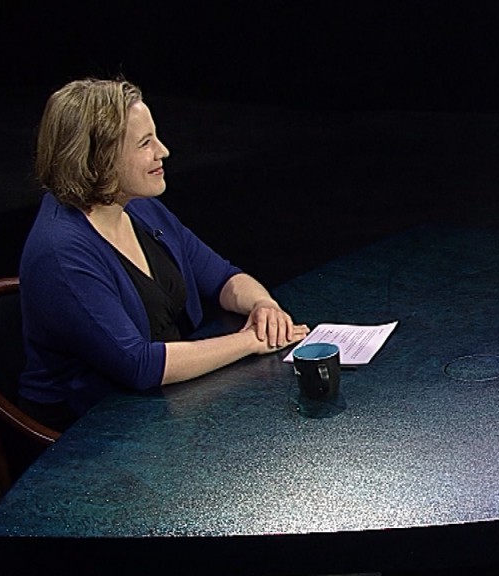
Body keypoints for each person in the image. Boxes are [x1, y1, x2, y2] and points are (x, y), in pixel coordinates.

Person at [18, 78, 310, 432]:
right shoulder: (62, 252)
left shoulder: (141, 208)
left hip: (161, 406)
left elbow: (222, 277)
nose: (163, 151)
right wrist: (251, 340)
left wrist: (264, 307)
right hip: (87, 433)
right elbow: (139, 364)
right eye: (145, 143)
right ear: (100, 158)